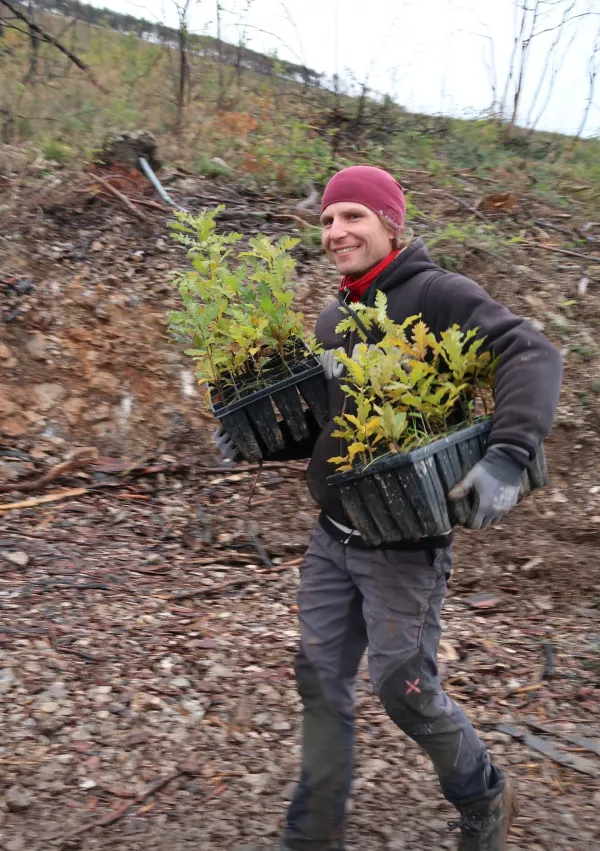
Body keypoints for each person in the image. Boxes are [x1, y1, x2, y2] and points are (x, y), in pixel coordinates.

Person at [223, 165, 563, 851]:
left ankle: (483, 792)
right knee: (320, 680)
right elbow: (336, 429)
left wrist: (508, 454)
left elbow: (531, 351)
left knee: (402, 685)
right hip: (334, 535)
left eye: (352, 216)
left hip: (405, 539)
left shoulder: (436, 294)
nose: (335, 231)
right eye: (325, 220)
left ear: (390, 224)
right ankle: (312, 832)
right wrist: (264, 435)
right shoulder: (334, 317)